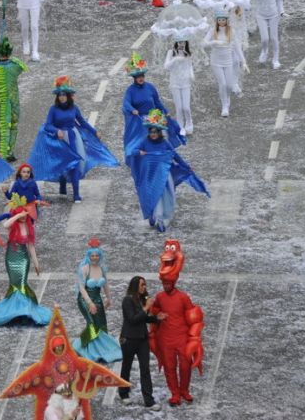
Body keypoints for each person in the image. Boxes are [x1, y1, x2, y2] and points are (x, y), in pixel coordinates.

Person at [27, 76, 119, 203]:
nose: (62, 97)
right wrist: (57, 131)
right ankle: (62, 186)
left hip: (72, 137)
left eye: (64, 95)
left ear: (69, 96)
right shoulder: (53, 109)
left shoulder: (74, 108)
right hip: (59, 140)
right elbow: (48, 124)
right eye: (59, 95)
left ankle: (76, 194)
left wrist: (94, 131)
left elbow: (82, 122)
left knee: (75, 162)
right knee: (62, 163)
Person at [131, 110, 209, 232]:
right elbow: (133, 151)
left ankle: (161, 218)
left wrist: (186, 166)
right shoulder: (144, 142)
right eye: (151, 132)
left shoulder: (165, 143)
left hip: (163, 176)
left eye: (155, 132)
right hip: (150, 175)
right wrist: (140, 152)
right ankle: (152, 213)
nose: (153, 134)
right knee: (150, 194)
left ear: (159, 132)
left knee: (164, 195)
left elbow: (175, 155)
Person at [149, 240, 204, 406]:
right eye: (163, 283)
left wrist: (194, 339)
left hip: (181, 338)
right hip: (166, 339)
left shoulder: (183, 298)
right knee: (169, 368)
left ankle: (184, 390)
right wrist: (157, 316)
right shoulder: (159, 297)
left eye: (167, 283)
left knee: (185, 367)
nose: (165, 286)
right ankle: (175, 393)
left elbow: (194, 319)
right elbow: (154, 314)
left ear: (173, 283)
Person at [0, 193, 53, 326]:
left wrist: (36, 264)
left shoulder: (29, 228)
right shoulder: (13, 225)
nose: (25, 218)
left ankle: (25, 311)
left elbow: (31, 247)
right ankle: (15, 311)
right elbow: (5, 225)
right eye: (22, 216)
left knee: (22, 284)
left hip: (24, 258)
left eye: (26, 215)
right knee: (14, 284)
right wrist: (18, 215)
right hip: (11, 256)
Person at [71, 238, 122, 363]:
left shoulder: (101, 269)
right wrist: (89, 303)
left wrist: (108, 298)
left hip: (98, 299)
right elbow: (81, 288)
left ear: (100, 256)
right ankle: (81, 346)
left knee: (101, 324)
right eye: (92, 255)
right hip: (85, 299)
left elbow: (105, 285)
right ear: (89, 256)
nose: (95, 258)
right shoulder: (84, 269)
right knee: (92, 325)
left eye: (97, 255)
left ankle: (101, 348)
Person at [119, 276, 162, 409]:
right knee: (127, 366)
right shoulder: (127, 300)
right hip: (129, 339)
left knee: (145, 369)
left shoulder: (143, 299)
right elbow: (132, 319)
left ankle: (149, 400)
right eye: (142, 285)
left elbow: (144, 319)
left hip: (142, 339)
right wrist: (146, 308)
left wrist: (156, 318)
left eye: (145, 285)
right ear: (135, 286)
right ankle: (124, 393)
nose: (144, 287)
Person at [203, 10, 247, 117]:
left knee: (228, 84)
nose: (221, 21)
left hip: (228, 61)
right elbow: (203, 43)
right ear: (216, 21)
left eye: (223, 20)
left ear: (226, 20)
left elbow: (237, 47)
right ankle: (224, 106)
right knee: (222, 84)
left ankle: (227, 100)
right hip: (216, 61)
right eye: (219, 20)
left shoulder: (231, 31)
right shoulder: (212, 30)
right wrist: (213, 42)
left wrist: (243, 61)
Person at [247, 0, 285, 69]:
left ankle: (275, 59)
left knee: (273, 38)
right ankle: (264, 51)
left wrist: (281, 10)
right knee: (264, 38)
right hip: (260, 14)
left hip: (273, 14)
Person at [164, 40, 195, 136]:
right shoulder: (170, 52)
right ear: (176, 42)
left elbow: (190, 66)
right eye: (179, 42)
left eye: (183, 42)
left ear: (186, 43)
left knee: (186, 107)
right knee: (179, 108)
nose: (181, 44)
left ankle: (189, 122)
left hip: (185, 83)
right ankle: (180, 126)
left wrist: (191, 74)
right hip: (175, 83)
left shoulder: (188, 53)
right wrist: (175, 59)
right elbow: (166, 66)